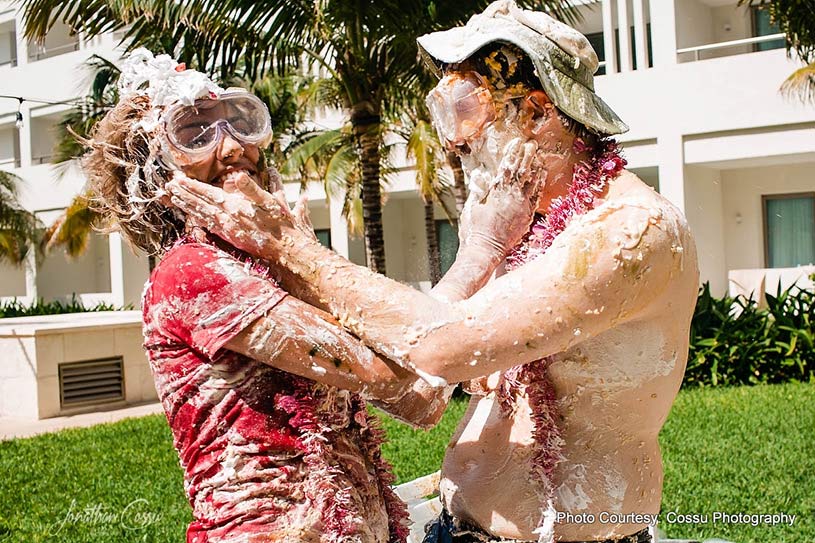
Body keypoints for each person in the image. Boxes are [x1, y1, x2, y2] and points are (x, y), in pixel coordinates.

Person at [168, 2, 699, 543]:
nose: (452, 139)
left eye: (464, 110)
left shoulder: (632, 230)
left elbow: (442, 348)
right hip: (456, 528)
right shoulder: (521, 221)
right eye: (443, 111)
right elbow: (431, 386)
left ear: (538, 115)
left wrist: (290, 248)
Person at [81, 47, 454, 543]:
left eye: (238, 123)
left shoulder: (268, 263)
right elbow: (395, 379)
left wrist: (288, 253)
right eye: (194, 134)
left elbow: (419, 399)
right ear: (158, 174)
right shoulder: (191, 273)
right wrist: (294, 252)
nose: (233, 148)